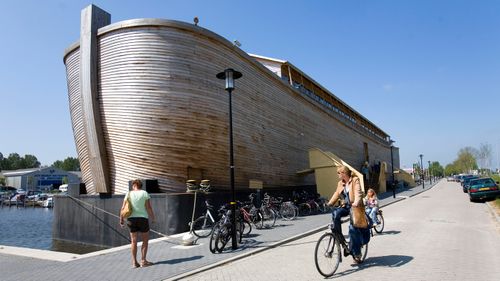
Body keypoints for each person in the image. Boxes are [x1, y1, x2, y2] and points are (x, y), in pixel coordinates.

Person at [326, 165, 364, 262]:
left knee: (352, 229)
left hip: (355, 206)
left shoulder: (354, 180)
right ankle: (339, 237)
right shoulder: (340, 183)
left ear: (343, 173)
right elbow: (336, 193)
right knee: (336, 214)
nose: (338, 175)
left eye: (339, 173)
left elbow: (358, 192)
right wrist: (330, 203)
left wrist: (356, 202)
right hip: (346, 206)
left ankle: (357, 253)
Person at [120, 179, 156, 268]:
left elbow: (123, 208)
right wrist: (153, 218)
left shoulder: (128, 194)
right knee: (145, 241)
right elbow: (148, 207)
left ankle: (134, 262)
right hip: (143, 218)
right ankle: (143, 261)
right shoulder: (144, 193)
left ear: (134, 185)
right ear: (140, 185)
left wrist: (121, 219)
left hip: (131, 219)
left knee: (133, 241)